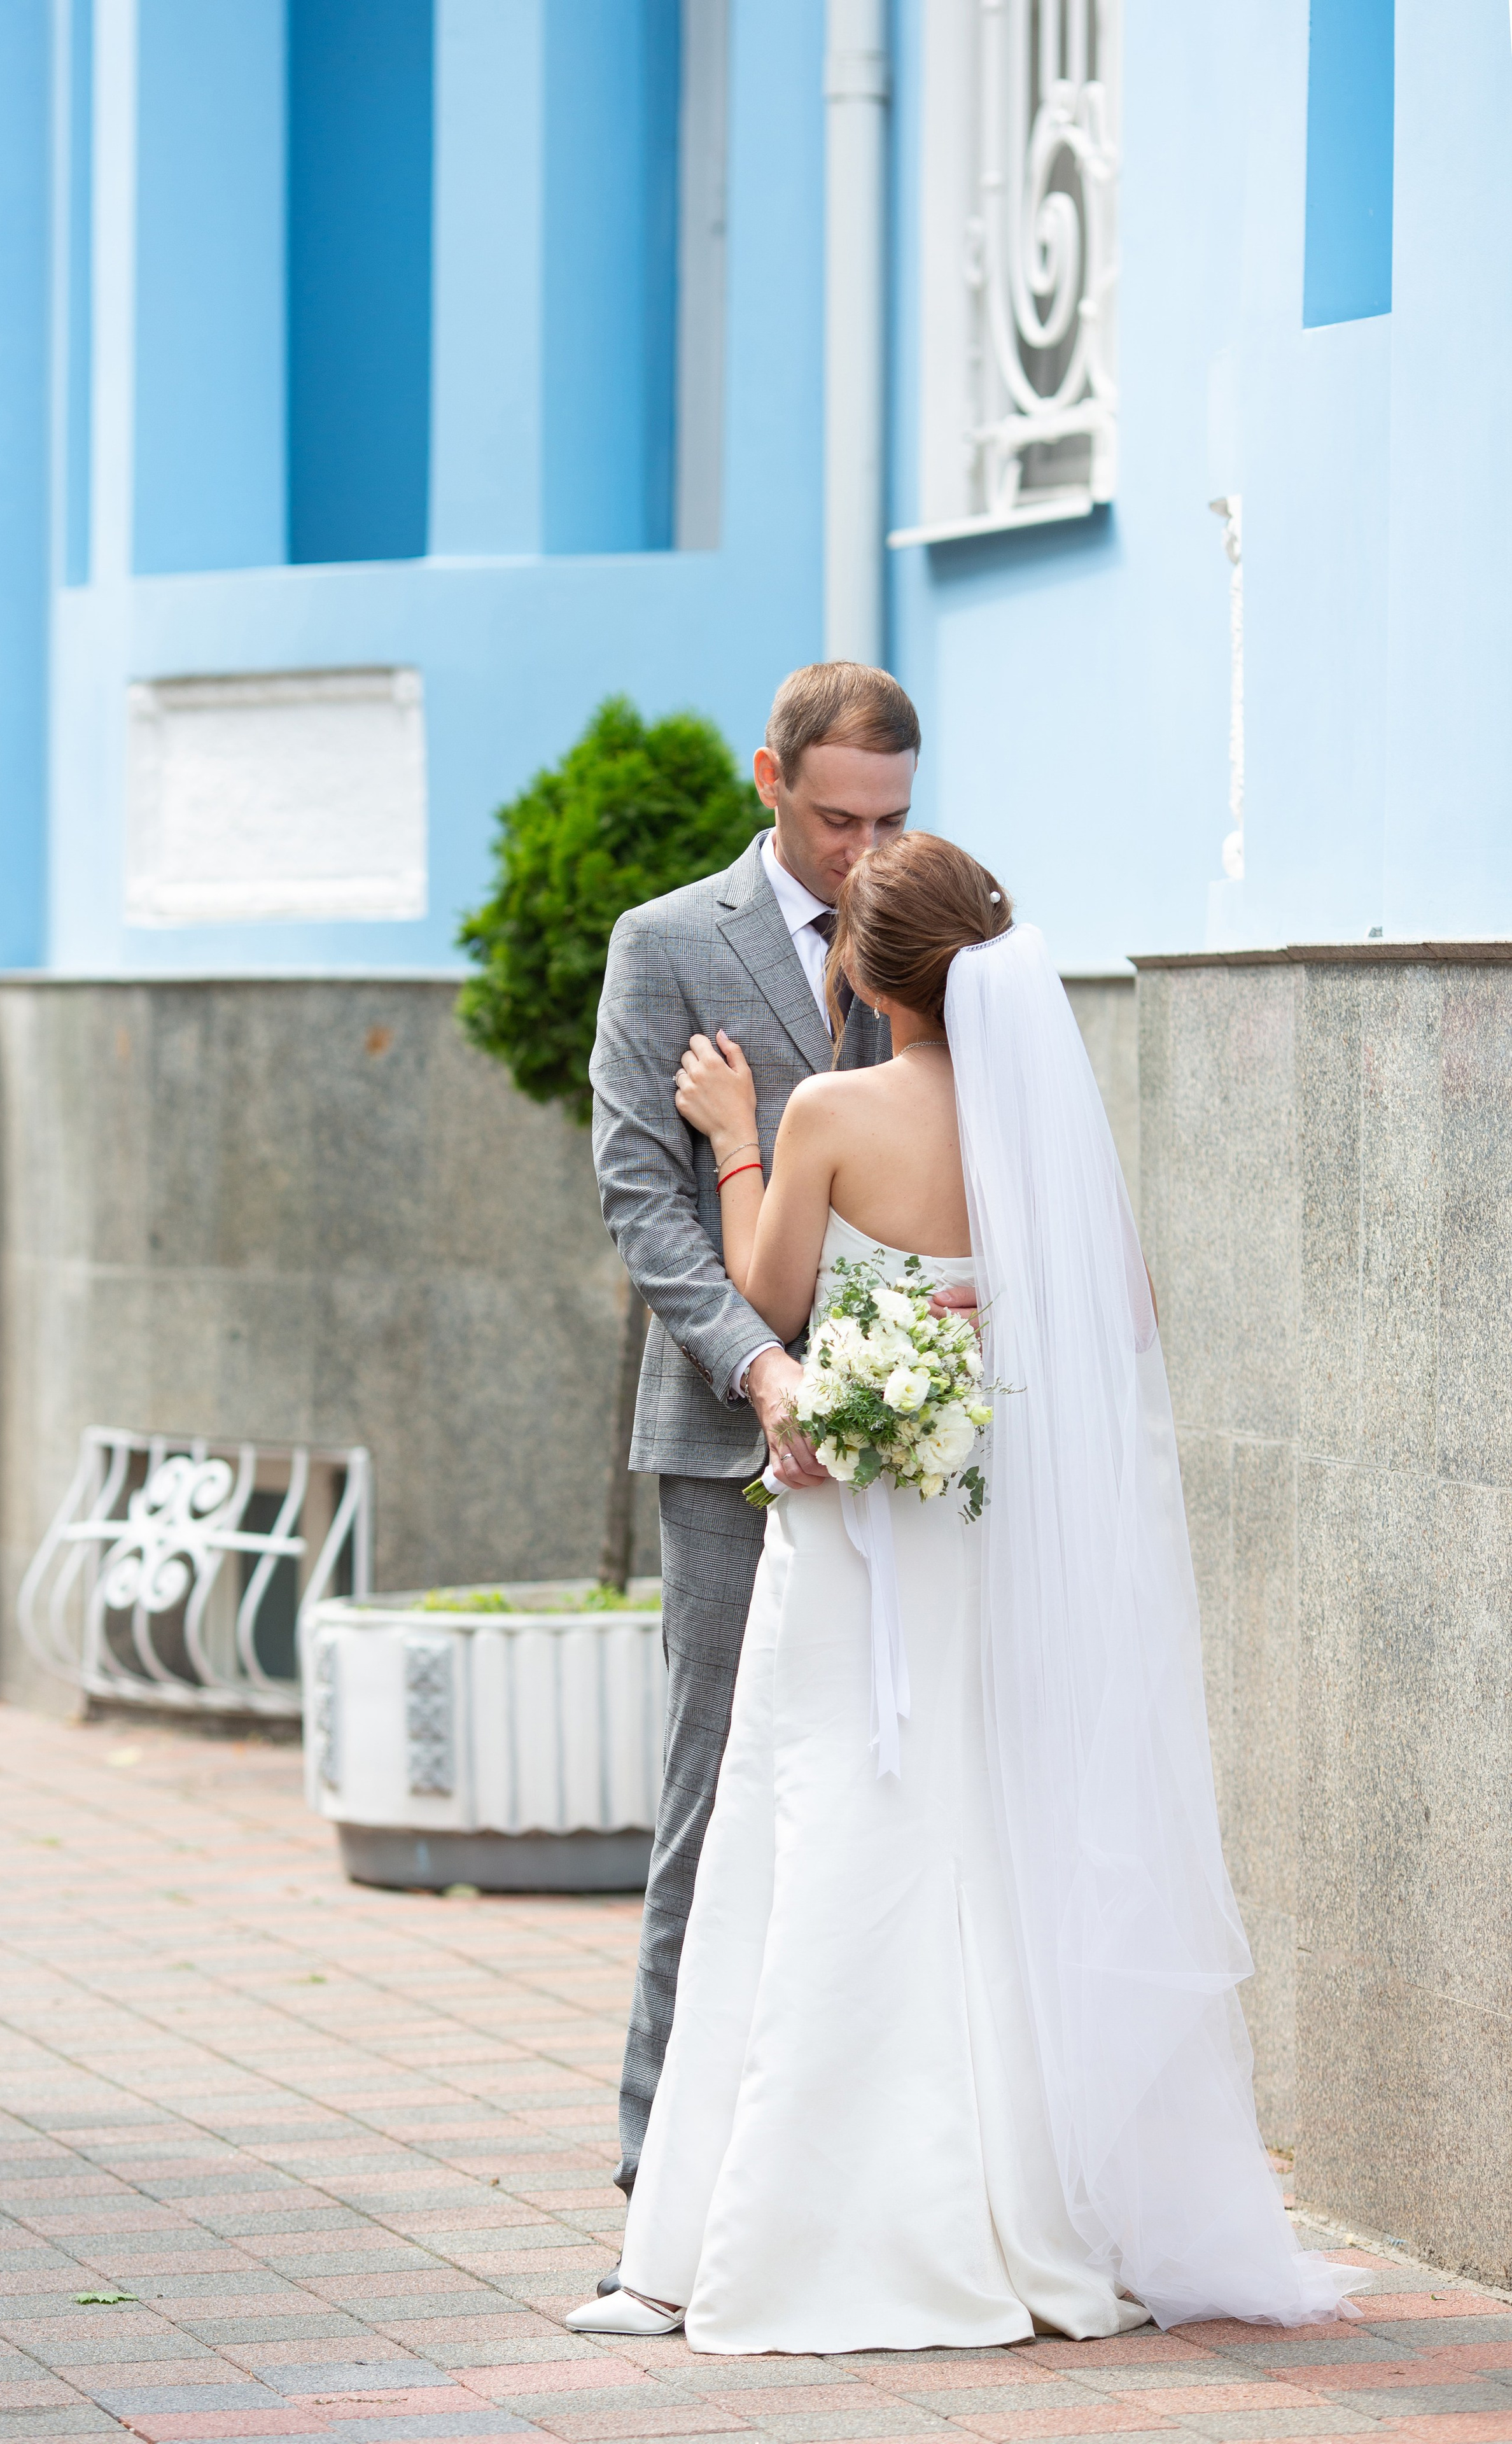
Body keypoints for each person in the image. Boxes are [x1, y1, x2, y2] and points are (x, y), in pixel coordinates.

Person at [570, 832, 1363, 2352]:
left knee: (816, 1836)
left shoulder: (829, 1109)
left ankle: (752, 2229)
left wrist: (735, 1136)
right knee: (980, 1837)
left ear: (865, 976)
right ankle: (1022, 2211)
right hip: (979, 1532)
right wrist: (971, 1316)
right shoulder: (1037, 1121)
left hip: (855, 1536)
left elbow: (776, 1290)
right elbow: (1119, 1309)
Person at [589, 665, 981, 2246]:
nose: (867, 853)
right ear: (769, 780)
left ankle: (880, 2151)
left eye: (891, 816)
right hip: (722, 1444)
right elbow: (640, 1195)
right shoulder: (666, 944)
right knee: (719, 1788)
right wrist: (763, 1375)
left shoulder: (950, 934)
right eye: (836, 819)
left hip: (928, 1453)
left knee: (901, 1784)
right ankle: (658, 2158)